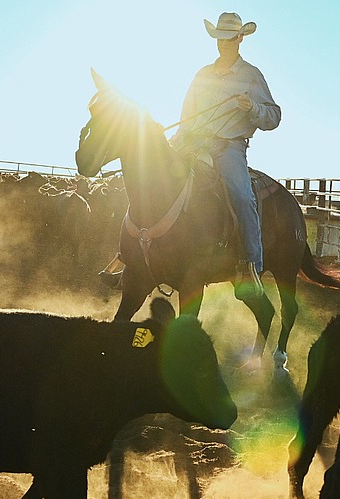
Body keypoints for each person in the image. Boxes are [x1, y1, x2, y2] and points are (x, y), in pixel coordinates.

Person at [100, 12, 280, 299]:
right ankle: (132, 259)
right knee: (153, 179)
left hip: (229, 149)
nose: (223, 44)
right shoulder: (202, 75)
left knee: (241, 194)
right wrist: (175, 142)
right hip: (193, 144)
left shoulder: (252, 76)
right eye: (219, 38)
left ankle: (252, 266)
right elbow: (187, 116)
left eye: (229, 39)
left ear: (240, 38)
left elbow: (274, 117)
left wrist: (253, 108)